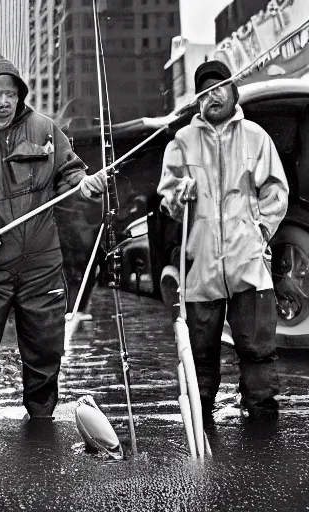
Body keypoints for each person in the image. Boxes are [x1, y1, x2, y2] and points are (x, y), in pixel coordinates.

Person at [0, 53, 107, 419]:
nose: (3, 102)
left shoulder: (45, 128)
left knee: (46, 352)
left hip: (42, 265)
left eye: (9, 94)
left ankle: (42, 423)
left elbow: (70, 172)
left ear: (20, 94)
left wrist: (86, 184)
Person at [157, 60, 289, 422]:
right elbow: (167, 200)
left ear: (233, 92)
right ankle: (203, 422)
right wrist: (178, 195)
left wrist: (259, 232)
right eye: (204, 91)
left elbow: (276, 192)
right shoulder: (182, 142)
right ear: (198, 100)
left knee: (258, 351)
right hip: (201, 268)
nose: (212, 95)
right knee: (201, 356)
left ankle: (261, 421)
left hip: (249, 267)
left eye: (220, 87)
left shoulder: (256, 137)